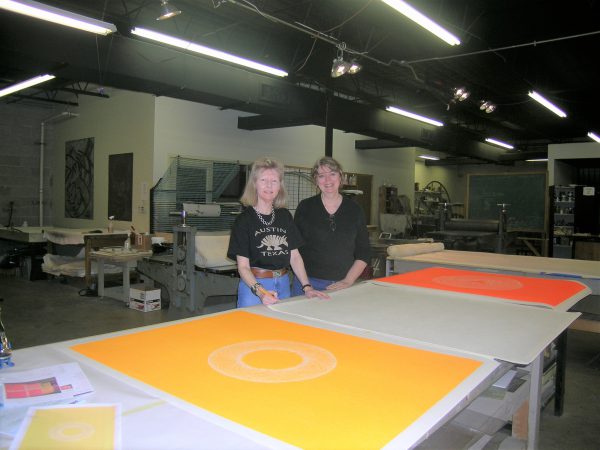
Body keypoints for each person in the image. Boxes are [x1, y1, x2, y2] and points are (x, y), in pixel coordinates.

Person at [227, 157, 329, 307]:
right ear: (254, 184)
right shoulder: (243, 221)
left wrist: (307, 287)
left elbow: (294, 256)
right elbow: (243, 267)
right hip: (254, 286)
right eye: (263, 180)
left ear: (279, 186)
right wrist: (261, 293)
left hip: (283, 283)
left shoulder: (285, 216)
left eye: (274, 181)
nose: (269, 185)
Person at [291, 156, 371, 296]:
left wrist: (348, 280)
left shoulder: (354, 210)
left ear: (341, 176)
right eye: (321, 176)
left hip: (343, 284)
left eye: (332, 174)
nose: (327, 180)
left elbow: (364, 251)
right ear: (316, 180)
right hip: (307, 284)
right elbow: (293, 250)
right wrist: (306, 285)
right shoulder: (305, 207)